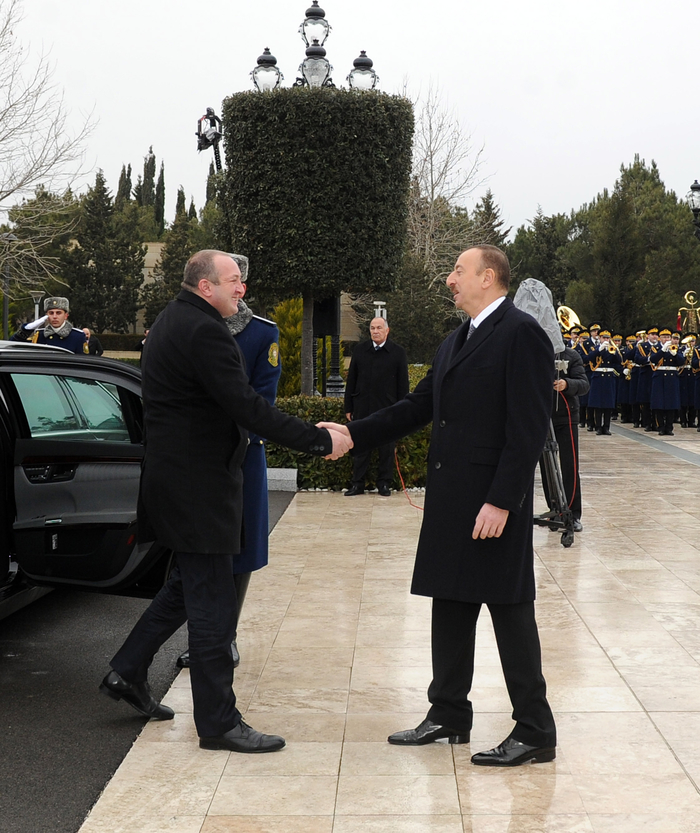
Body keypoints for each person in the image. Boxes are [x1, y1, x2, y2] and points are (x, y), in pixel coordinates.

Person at [100, 250, 351, 754]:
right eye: (233, 280)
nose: (241, 289)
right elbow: (246, 405)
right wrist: (319, 439)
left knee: (183, 588)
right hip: (199, 491)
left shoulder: (172, 321)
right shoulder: (205, 330)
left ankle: (127, 671)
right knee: (213, 606)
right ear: (205, 285)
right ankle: (218, 723)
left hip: (179, 486)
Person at [321, 245, 557, 767]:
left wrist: (502, 501)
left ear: (488, 277)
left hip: (492, 503)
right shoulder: (456, 340)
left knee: (509, 611)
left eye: (457, 270)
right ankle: (449, 713)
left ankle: (536, 729)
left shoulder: (521, 334)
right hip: (452, 500)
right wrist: (352, 435)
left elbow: (529, 428)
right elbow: (416, 407)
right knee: (449, 603)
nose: (449, 279)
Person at [176, 255, 281, 670]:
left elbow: (261, 400)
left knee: (239, 550)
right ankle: (202, 637)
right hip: (199, 460)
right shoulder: (191, 326)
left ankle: (226, 637)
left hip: (242, 458)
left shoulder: (261, 334)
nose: (239, 290)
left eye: (242, 283)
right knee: (198, 551)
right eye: (232, 282)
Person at [343, 317, 409, 496]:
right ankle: (358, 484)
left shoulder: (398, 352)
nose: (375, 331)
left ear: (387, 330)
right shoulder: (360, 350)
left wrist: (403, 410)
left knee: (386, 448)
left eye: (379, 328)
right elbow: (352, 381)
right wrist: (348, 406)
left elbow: (403, 384)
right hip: (362, 406)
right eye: (372, 328)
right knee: (360, 446)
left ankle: (384, 483)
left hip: (388, 408)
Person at [541, 345, 588, 532]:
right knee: (546, 466)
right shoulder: (533, 350)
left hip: (566, 416)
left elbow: (584, 384)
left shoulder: (571, 355)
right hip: (541, 415)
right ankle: (554, 509)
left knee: (570, 465)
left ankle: (573, 513)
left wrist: (567, 384)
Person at [11, 297, 88, 354]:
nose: (54, 316)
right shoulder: (39, 335)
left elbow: (84, 362)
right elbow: (12, 346)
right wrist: (26, 330)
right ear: (46, 316)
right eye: (51, 313)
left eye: (58, 313)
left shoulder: (78, 336)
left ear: (66, 316)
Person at [587, 330, 622, 435]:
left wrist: (614, 351)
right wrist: (599, 350)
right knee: (597, 404)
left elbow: (619, 361)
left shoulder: (613, 349)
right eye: (604, 338)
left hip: (609, 377)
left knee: (608, 404)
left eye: (607, 338)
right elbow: (589, 358)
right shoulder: (594, 348)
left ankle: (606, 427)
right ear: (600, 338)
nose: (606, 340)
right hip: (598, 377)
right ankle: (598, 426)